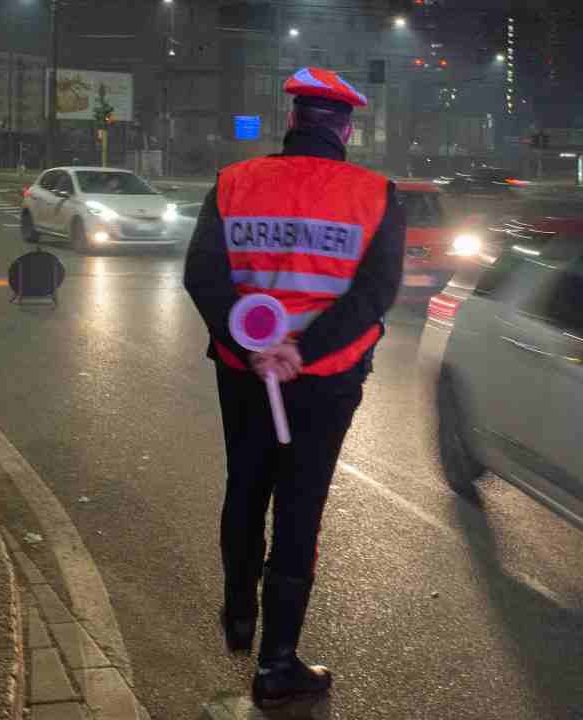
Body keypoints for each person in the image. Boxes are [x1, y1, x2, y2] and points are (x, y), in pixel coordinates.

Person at [183, 67, 405, 707]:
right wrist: (298, 350)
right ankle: (277, 662)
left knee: (246, 482)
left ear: (293, 121)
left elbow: (203, 275)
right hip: (325, 379)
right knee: (300, 504)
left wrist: (255, 345)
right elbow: (373, 295)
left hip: (243, 369)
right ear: (345, 128)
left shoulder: (234, 182)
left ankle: (237, 612)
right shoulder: (376, 193)